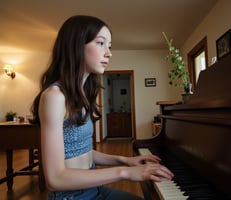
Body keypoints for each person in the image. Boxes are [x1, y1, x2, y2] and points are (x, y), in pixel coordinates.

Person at [30, 15, 174, 200]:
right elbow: (55, 179)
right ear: (75, 45)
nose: (109, 53)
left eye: (110, 45)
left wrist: (126, 160)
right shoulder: (54, 97)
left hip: (94, 189)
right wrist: (124, 172)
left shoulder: (82, 95)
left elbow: (83, 152)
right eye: (100, 43)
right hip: (72, 196)